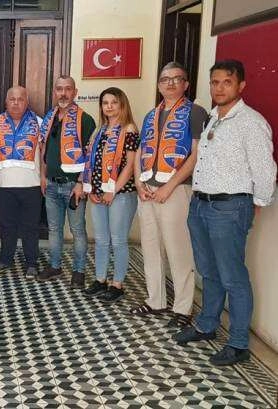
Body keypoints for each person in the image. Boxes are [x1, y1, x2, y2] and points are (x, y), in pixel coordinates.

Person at [175, 60, 276, 366]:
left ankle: (239, 343)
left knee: (233, 276)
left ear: (241, 85)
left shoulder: (251, 122)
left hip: (229, 208)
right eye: (215, 82)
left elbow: (265, 171)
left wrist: (255, 204)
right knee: (208, 271)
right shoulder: (213, 118)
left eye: (226, 82)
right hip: (201, 205)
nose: (219, 88)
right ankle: (207, 325)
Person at [130, 62, 208, 328]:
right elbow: (142, 150)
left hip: (175, 190)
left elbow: (196, 154)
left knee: (178, 249)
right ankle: (156, 300)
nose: (170, 83)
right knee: (151, 247)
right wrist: (139, 182)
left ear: (186, 84)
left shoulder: (195, 112)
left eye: (177, 79)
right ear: (159, 85)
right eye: (165, 79)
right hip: (147, 189)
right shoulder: (151, 115)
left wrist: (170, 186)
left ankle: (183, 308)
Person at [82, 87, 139, 303]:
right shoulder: (99, 131)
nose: (109, 107)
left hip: (120, 193)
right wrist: (91, 189)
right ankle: (100, 280)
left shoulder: (129, 129)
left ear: (122, 104)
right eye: (105, 103)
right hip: (98, 193)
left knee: (118, 240)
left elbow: (130, 166)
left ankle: (117, 284)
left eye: (114, 102)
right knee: (101, 239)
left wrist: (112, 191)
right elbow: (91, 162)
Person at [39, 75, 95, 287]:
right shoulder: (49, 118)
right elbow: (43, 149)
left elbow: (90, 155)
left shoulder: (85, 119)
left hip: (73, 186)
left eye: (68, 89)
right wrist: (43, 176)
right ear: (55, 92)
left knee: (77, 231)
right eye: (59, 89)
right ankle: (55, 266)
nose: (63, 93)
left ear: (75, 92)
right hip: (51, 184)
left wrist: (81, 183)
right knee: (54, 229)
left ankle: (79, 271)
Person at [0, 86, 43, 278]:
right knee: (6, 225)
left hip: (32, 184)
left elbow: (44, 154)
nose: (16, 103)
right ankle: (5, 259)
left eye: (20, 99)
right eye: (12, 99)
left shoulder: (39, 123)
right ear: (6, 102)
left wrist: (44, 178)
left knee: (30, 227)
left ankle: (32, 263)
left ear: (27, 102)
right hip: (4, 185)